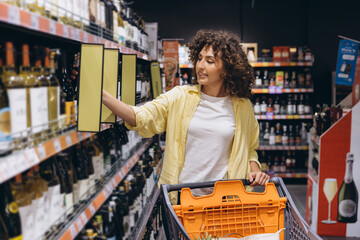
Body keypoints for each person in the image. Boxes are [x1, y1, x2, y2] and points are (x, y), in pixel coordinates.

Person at [102, 29, 270, 203]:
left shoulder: (242, 107)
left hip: (226, 201)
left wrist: (255, 169)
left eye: (210, 61)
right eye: (199, 58)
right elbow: (142, 117)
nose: (200, 66)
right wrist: (102, 95)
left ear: (227, 69)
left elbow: (249, 148)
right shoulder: (180, 97)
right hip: (184, 198)